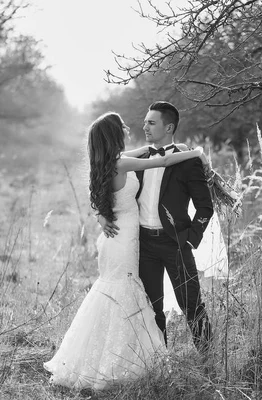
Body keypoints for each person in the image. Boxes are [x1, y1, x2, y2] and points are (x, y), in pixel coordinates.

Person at [43, 112, 208, 390]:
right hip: (129, 240)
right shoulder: (123, 162)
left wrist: (100, 215)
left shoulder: (106, 162)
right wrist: (197, 153)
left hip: (124, 240)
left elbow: (150, 154)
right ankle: (131, 363)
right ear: (113, 135)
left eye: (149, 122)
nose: (133, 127)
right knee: (132, 298)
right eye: (122, 127)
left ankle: (195, 357)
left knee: (127, 296)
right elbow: (163, 160)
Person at [100, 101, 214, 355]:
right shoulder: (138, 158)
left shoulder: (186, 162)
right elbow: (101, 181)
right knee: (152, 307)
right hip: (143, 244)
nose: (145, 127)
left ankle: (208, 359)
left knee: (192, 304)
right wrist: (100, 214)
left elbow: (205, 207)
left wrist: (189, 239)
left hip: (176, 243)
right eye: (145, 122)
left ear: (169, 127)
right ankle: (158, 360)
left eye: (152, 123)